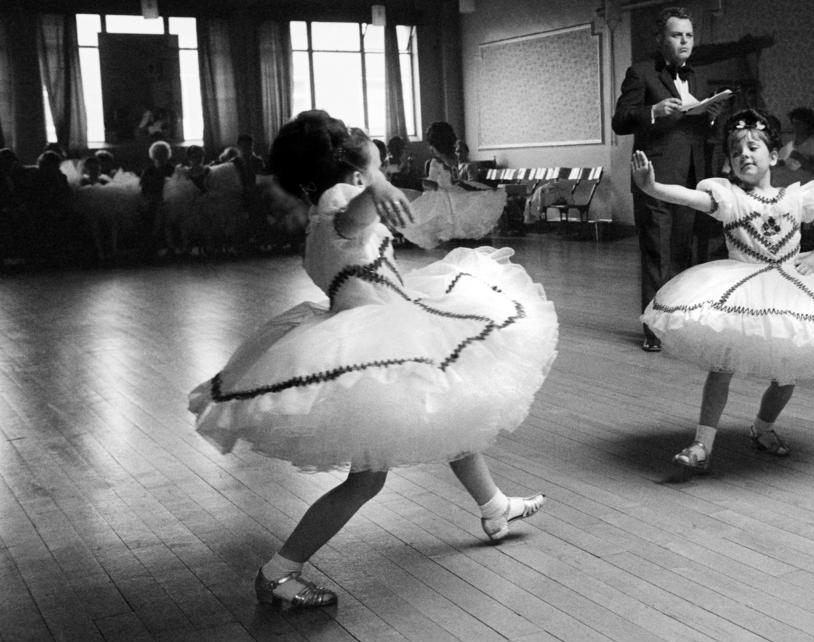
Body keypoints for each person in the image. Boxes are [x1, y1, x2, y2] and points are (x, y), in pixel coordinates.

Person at [188, 110, 557, 609]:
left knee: (449, 410)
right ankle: (280, 572)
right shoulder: (339, 204)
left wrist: (376, 182)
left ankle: (495, 507)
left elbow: (360, 222)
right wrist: (373, 184)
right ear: (353, 174)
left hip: (394, 325)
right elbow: (351, 216)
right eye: (375, 166)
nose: (382, 175)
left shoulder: (326, 216)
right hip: (374, 344)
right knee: (369, 478)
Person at [632, 109, 814, 471]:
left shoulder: (797, 197)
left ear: (772, 156)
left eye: (753, 147)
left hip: (791, 287)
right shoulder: (727, 198)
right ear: (728, 164)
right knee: (721, 366)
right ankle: (702, 443)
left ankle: (763, 427)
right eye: (736, 152)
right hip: (741, 289)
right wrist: (653, 188)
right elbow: (687, 198)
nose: (744, 155)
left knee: (787, 371)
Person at [612, 6, 722, 353]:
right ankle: (654, 328)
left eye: (689, 35)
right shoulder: (641, 73)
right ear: (661, 39)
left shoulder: (699, 76)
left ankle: (680, 320)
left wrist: (711, 116)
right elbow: (620, 121)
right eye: (677, 35)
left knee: (682, 251)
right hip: (653, 176)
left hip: (691, 178)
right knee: (657, 252)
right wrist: (652, 112)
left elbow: (696, 129)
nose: (685, 41)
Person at [773, 106, 814, 188]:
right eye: (794, 123)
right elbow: (782, 163)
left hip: (805, 185)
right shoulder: (788, 145)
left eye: (799, 123)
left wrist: (801, 159)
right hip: (786, 186)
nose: (795, 126)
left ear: (807, 125)